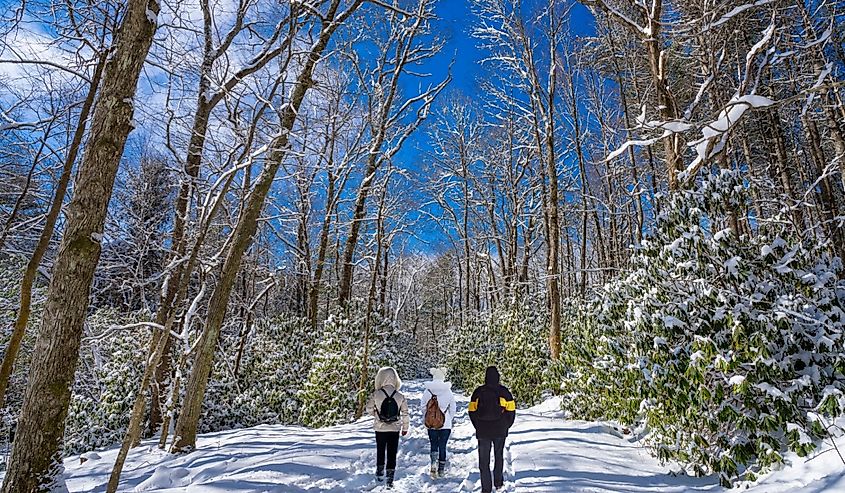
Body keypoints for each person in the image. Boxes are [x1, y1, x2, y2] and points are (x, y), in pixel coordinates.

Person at [468, 366, 516, 493]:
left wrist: (478, 425)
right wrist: (506, 425)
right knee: (498, 455)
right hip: (500, 429)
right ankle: (498, 482)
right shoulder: (504, 392)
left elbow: (471, 411)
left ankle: (486, 488)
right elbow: (511, 411)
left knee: (484, 461)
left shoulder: (478, 392)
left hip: (483, 430)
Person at [366, 366, 410, 488]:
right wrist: (405, 428)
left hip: (380, 428)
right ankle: (390, 478)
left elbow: (369, 409)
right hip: (394, 428)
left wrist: (376, 414)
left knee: (380, 450)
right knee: (392, 453)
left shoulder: (377, 394)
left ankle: (379, 473)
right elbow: (405, 413)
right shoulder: (400, 395)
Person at [420, 367, 456, 478]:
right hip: (445, 424)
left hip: (431, 424)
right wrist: (448, 417)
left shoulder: (428, 391)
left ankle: (433, 464)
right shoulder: (448, 391)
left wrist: (429, 416)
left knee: (434, 444)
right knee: (443, 446)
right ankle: (441, 469)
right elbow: (453, 407)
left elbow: (422, 407)